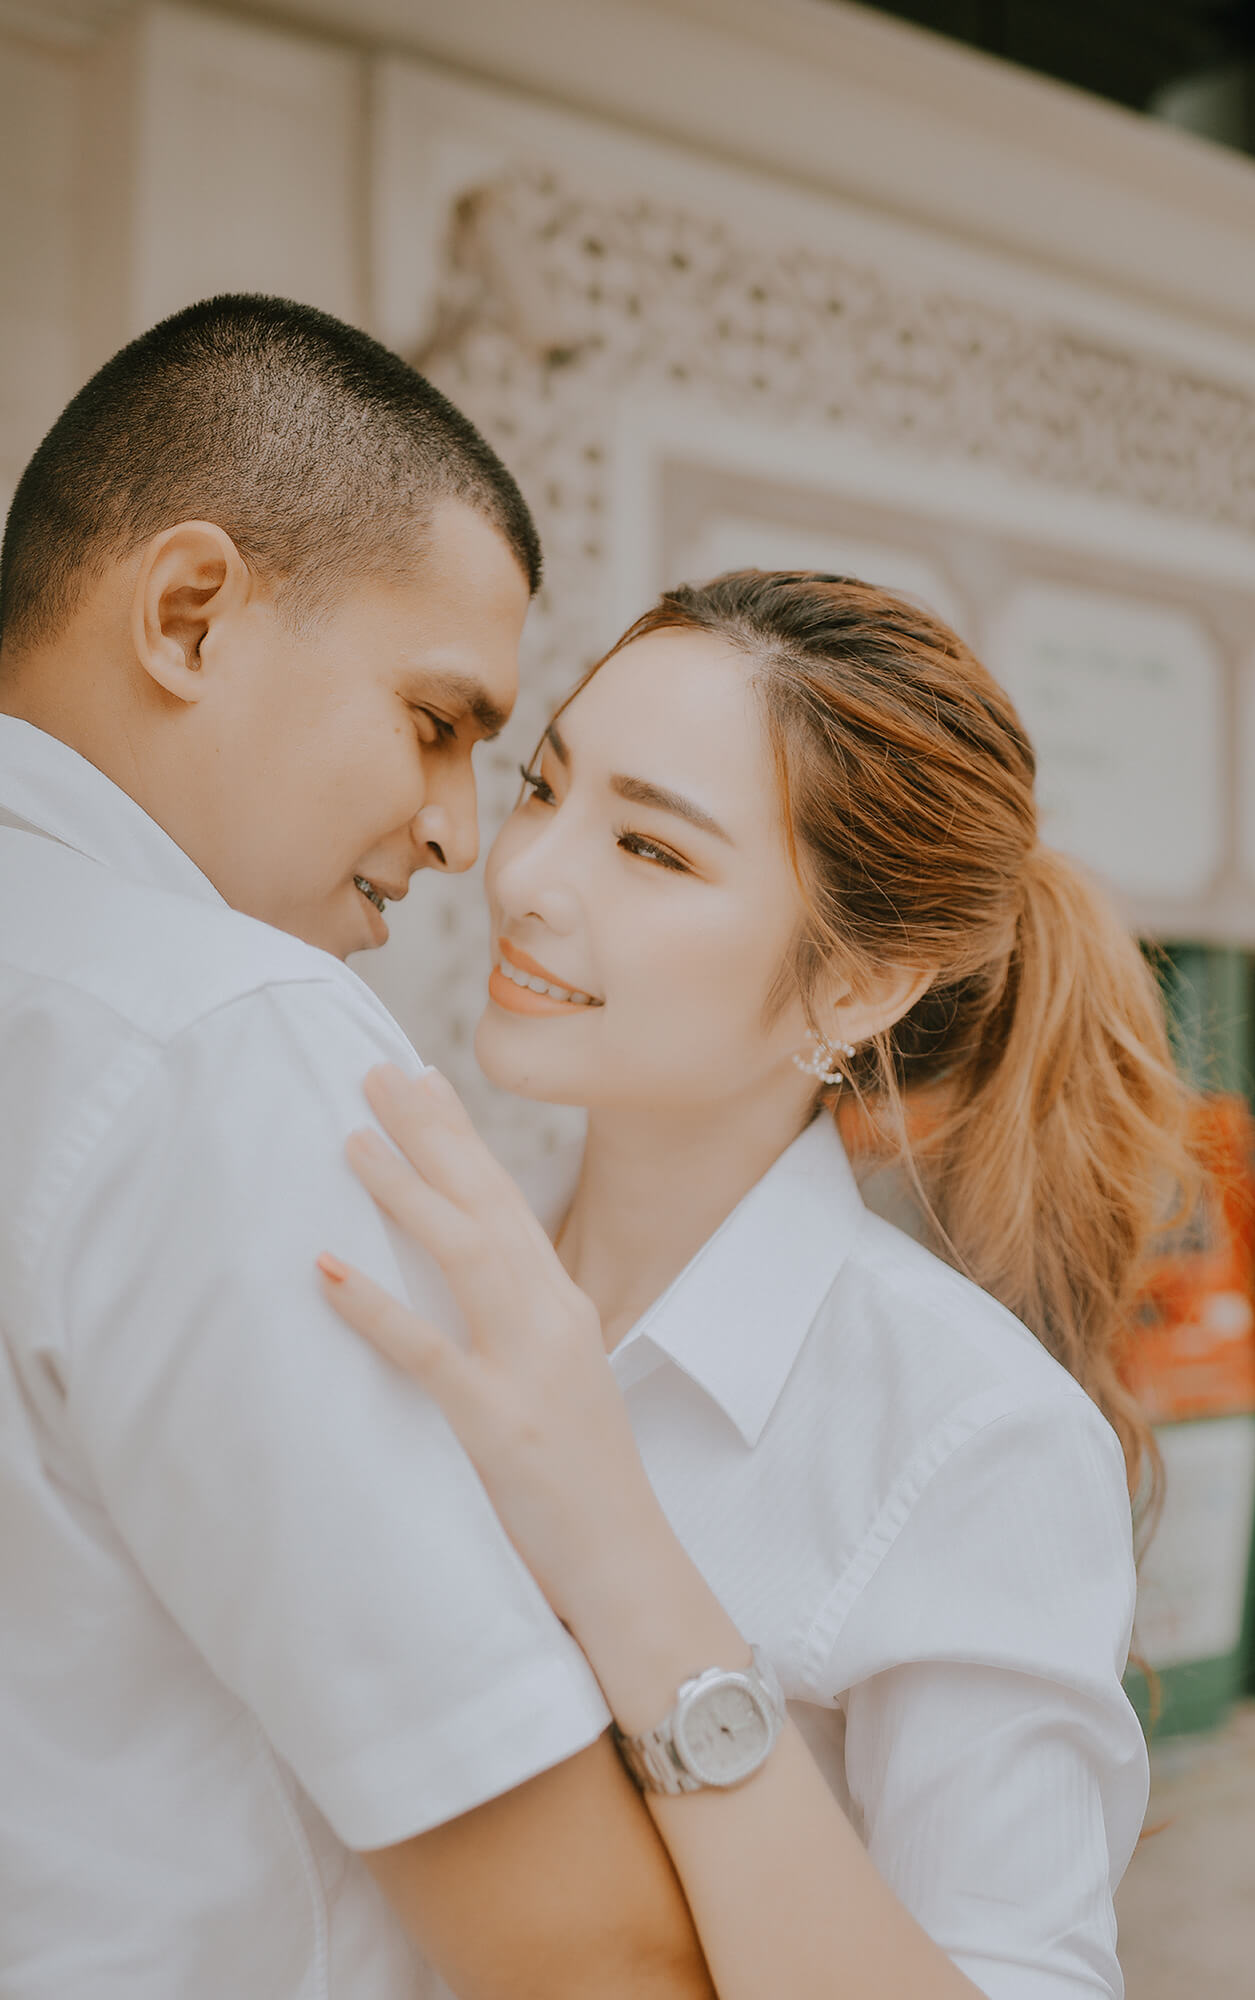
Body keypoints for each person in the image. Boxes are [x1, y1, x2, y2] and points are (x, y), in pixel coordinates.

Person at [314, 571, 1195, 2000]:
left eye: (651, 850)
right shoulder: (426, 1263)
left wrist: (614, 1547)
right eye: (544, 787)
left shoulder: (969, 1436)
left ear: (855, 989)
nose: (526, 874)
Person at [0, 295, 717, 1998]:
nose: (464, 839)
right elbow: (569, 1938)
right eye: (437, 722)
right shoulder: (224, 1033)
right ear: (188, 614)